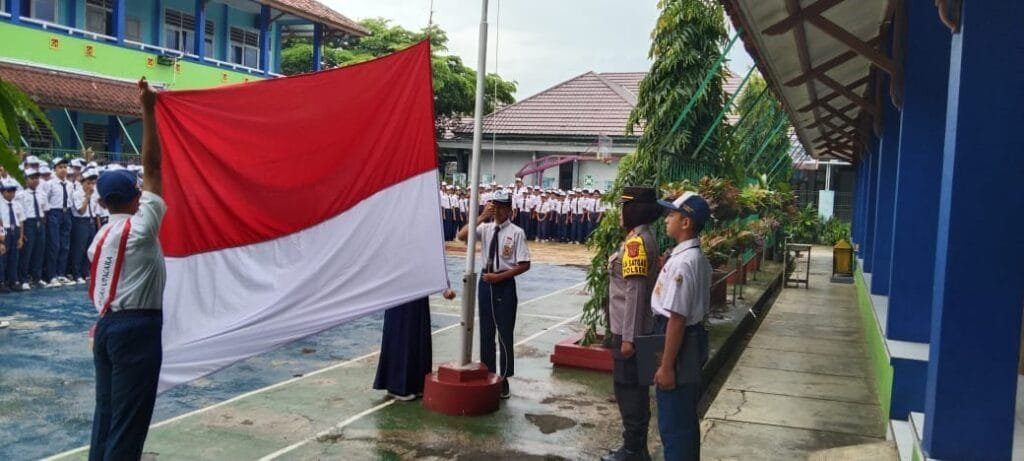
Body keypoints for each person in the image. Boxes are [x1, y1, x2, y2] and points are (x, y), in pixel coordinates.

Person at [87, 79, 166, 461]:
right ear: (137, 198)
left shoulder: (98, 240)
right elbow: (153, 165)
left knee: (106, 415)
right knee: (129, 422)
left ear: (101, 202)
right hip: (137, 329)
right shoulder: (142, 229)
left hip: (106, 326)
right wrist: (149, 108)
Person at [651, 191, 712, 461]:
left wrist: (666, 366)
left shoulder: (685, 263)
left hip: (678, 340)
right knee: (682, 419)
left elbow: (677, 318)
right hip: (685, 337)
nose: (667, 219)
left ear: (686, 223)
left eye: (672, 214)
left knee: (674, 421)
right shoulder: (691, 257)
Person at [604, 187, 662, 461]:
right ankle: (635, 448)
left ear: (633, 210)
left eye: (623, 207)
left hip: (630, 332)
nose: (619, 212)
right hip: (633, 329)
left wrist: (629, 338)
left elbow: (635, 293)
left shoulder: (636, 244)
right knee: (632, 390)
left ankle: (633, 450)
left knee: (629, 391)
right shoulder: (640, 238)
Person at [456, 192, 530, 399]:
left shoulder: (516, 233)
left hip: (503, 283)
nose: (496, 210)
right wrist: (480, 217)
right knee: (486, 331)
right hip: (485, 282)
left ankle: (504, 377)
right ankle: (488, 373)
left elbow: (525, 264)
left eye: (500, 207)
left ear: (509, 210)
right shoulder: (485, 228)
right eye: (493, 206)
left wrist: (501, 277)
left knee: (504, 332)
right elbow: (461, 236)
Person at [373, 288, 457, 400]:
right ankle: (396, 386)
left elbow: (430, 270)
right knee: (400, 332)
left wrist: (444, 287)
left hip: (418, 292)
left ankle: (416, 385)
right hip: (399, 292)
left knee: (418, 333)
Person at [44, 157, 75, 287]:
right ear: (54, 169)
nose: (63, 170)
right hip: (54, 213)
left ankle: (61, 274)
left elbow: (70, 200)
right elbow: (46, 201)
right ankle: (51, 276)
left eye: (65, 167)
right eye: (60, 167)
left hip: (66, 213)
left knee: (65, 245)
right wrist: (47, 216)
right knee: (54, 245)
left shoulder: (69, 184)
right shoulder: (50, 184)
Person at [17, 168, 47, 290]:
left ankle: (37, 277)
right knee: (27, 252)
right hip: (28, 222)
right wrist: (22, 231)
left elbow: (45, 211)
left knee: (39, 251)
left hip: (39, 221)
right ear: (26, 180)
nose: (35, 180)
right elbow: (19, 214)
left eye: (36, 178)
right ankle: (23, 278)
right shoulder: (21, 195)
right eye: (32, 178)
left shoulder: (42, 194)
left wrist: (42, 223)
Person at [69, 169, 99, 284]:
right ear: (82, 183)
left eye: (92, 183)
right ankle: (76, 274)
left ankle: (85, 271)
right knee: (79, 248)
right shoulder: (77, 194)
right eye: (88, 183)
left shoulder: (94, 193)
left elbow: (96, 210)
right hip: (80, 221)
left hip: (90, 220)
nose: (90, 186)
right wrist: (87, 197)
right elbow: (81, 210)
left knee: (89, 247)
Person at [0, 180, 25, 293]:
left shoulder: (17, 204)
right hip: (4, 232)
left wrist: (20, 237)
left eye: (13, 191)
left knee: (14, 258)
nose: (11, 194)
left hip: (14, 231)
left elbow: (21, 221)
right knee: (2, 259)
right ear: (2, 192)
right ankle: (2, 281)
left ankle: (13, 281)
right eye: (8, 191)